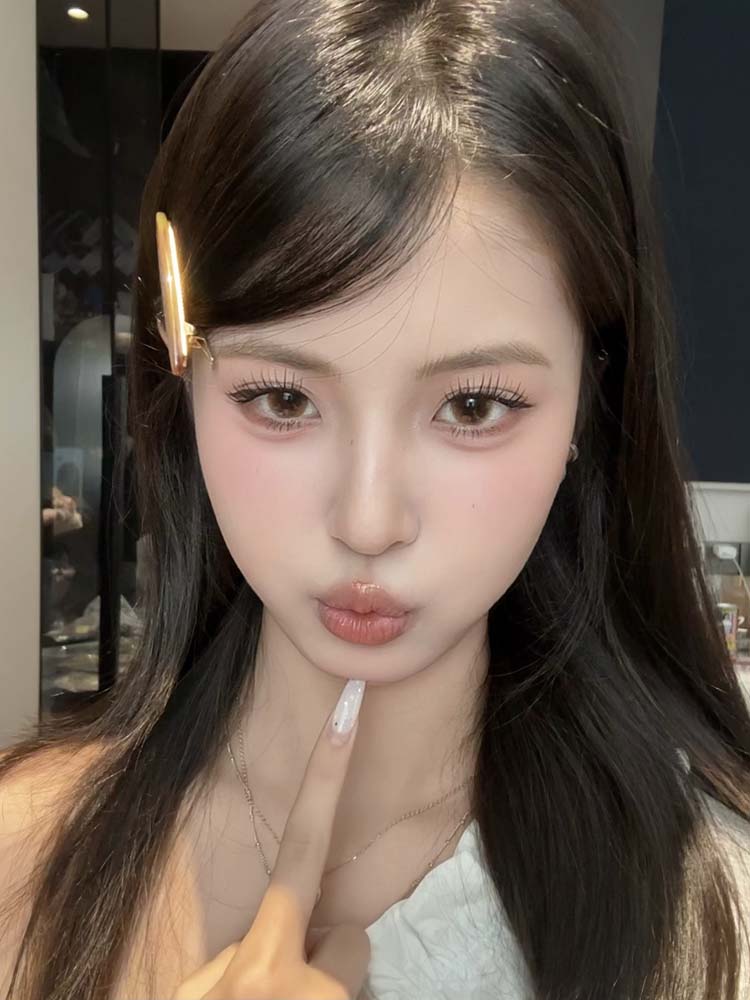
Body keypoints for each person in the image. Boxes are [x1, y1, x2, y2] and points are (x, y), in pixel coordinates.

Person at [2, 1, 750, 998]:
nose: (367, 521)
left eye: (474, 406)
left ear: (589, 399)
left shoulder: (710, 919)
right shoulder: (24, 859)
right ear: (181, 376)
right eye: (282, 398)